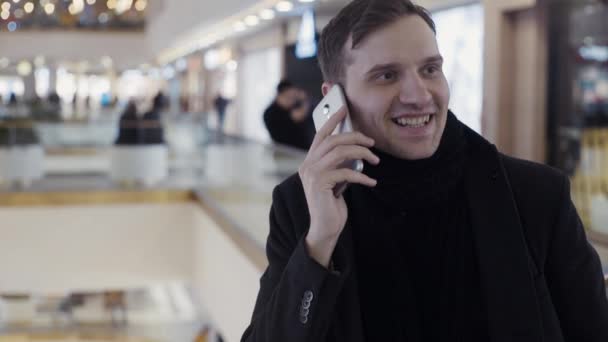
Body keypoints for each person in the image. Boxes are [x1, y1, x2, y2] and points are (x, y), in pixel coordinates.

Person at [241, 1, 608, 341]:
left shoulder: (535, 195)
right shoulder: (302, 206)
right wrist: (319, 243)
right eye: (386, 76)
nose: (418, 94)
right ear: (333, 98)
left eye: (430, 69)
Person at [263, 80, 315, 150]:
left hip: (297, 151)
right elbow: (299, 116)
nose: (293, 100)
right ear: (281, 94)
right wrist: (305, 100)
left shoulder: (290, 107)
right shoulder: (271, 113)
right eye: (290, 96)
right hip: (287, 152)